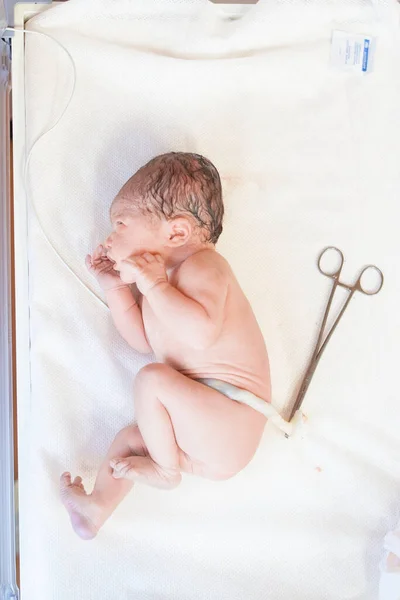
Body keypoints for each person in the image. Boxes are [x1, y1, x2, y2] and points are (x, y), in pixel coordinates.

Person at [60, 152, 288, 540]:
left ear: (177, 233)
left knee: (151, 380)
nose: (110, 237)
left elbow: (201, 334)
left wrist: (153, 285)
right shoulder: (160, 287)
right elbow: (143, 340)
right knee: (133, 438)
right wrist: (115, 287)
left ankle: (165, 472)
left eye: (120, 224)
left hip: (231, 416)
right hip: (201, 430)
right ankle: (97, 505)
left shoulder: (204, 268)